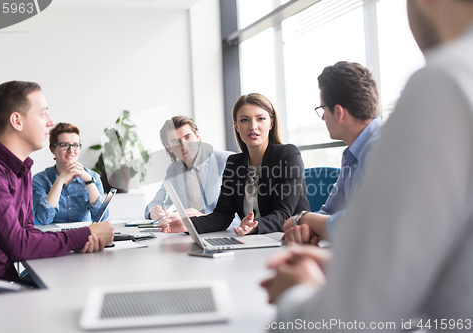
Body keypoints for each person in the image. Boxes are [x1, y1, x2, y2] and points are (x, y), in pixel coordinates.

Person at [261, 0, 473, 329]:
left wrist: (298, 289)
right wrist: (344, 259)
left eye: (322, 110)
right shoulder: (351, 156)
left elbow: (350, 319)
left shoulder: (447, 81)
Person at [0, 81, 114, 288]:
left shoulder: (22, 168)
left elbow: (28, 230)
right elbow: (18, 245)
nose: (50, 122)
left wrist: (79, 241)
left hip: (6, 280)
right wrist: (84, 234)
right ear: (17, 121)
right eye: (43, 114)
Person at [160, 93, 310, 236]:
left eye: (260, 119)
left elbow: (283, 214)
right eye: (244, 120)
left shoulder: (288, 155)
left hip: (289, 239)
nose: (253, 126)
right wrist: (188, 224)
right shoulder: (234, 163)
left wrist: (254, 226)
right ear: (236, 126)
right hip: (253, 241)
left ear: (271, 123)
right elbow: (223, 215)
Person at [283, 62, 383, 243]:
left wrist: (304, 219)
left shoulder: (382, 148)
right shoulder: (352, 155)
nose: (323, 118)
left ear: (338, 112)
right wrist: (309, 228)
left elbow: (363, 224)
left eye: (323, 109)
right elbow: (329, 212)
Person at [144, 116, 234, 224]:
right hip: (193, 232)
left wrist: (205, 218)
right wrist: (153, 212)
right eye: (176, 142)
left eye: (187, 137)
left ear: (197, 136)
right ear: (169, 148)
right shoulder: (173, 170)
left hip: (225, 231)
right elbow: (153, 205)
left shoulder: (227, 161)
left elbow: (242, 214)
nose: (184, 145)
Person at [32, 122, 108, 225]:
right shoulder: (40, 180)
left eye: (75, 145)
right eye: (64, 145)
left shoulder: (93, 177)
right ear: (52, 149)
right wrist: (59, 181)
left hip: (84, 236)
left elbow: (101, 217)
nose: (71, 150)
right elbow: (44, 219)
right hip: (53, 237)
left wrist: (89, 181)